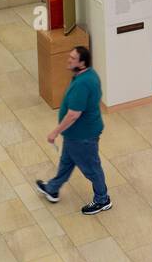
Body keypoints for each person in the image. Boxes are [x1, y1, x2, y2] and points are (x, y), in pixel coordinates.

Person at [36, 46, 111, 215]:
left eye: (72, 58)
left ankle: (102, 199)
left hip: (82, 136)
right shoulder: (88, 75)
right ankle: (52, 188)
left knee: (92, 168)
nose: (68, 60)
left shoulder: (83, 83)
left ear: (82, 63)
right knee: (67, 162)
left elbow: (73, 114)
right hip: (74, 136)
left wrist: (55, 132)